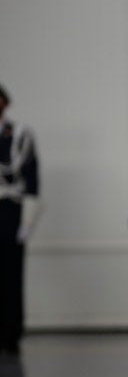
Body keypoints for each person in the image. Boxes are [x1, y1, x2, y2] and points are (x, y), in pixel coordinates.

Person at [0, 84, 41, 356]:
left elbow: (29, 176)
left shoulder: (20, 134)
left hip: (9, 208)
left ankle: (11, 333)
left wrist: (27, 222)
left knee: (11, 273)